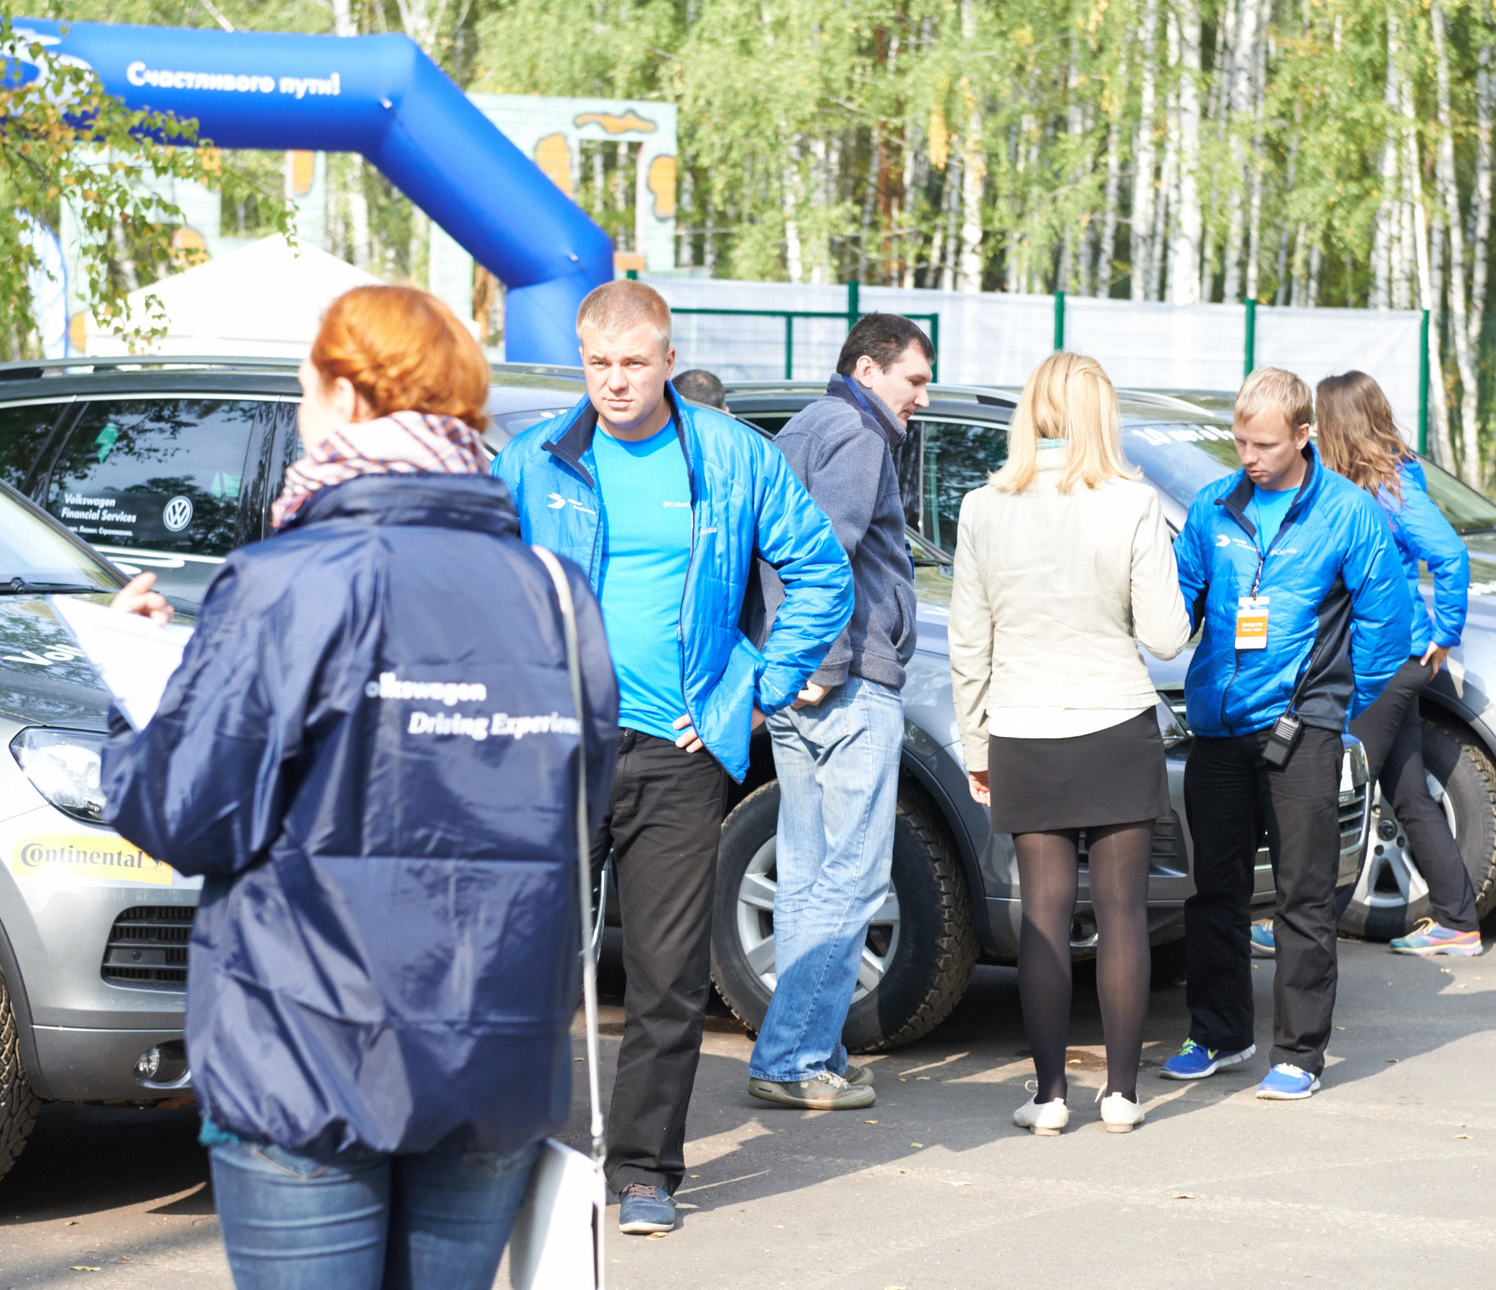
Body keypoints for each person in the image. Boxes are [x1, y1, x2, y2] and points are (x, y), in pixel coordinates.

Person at [98, 284, 622, 1290]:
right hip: (492, 1049)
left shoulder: (286, 581)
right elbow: (579, 809)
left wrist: (135, 700)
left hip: (303, 1043)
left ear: (344, 393)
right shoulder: (555, 593)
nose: (299, 412)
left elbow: (187, 811)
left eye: (303, 389)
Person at [493, 280, 854, 1235]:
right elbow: (473, 584)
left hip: (679, 751)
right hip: (556, 747)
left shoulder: (732, 457)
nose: (615, 381)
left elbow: (823, 573)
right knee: (523, 966)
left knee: (666, 974)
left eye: (633, 363)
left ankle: (644, 1171)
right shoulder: (533, 459)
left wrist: (755, 689)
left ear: (666, 359)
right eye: (598, 364)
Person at [950, 352, 1190, 1134]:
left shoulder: (982, 506)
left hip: (1023, 727)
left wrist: (976, 744)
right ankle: (1121, 1093)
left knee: (1044, 915)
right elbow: (1166, 636)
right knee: (1123, 913)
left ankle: (1050, 1096)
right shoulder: (1133, 501)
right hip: (1116, 722)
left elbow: (969, 643)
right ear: (1100, 415)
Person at [1162, 366, 1409, 1101]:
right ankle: (1218, 1033)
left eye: (1264, 444)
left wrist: (1335, 706)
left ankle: (1300, 1052)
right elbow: (1175, 608)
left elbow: (1386, 626)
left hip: (1303, 731)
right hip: (1218, 728)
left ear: (1304, 435)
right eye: (1240, 441)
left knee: (1303, 895)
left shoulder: (1348, 512)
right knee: (1215, 890)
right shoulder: (1211, 507)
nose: (1249, 456)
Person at [746, 313, 935, 1112]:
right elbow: (825, 552)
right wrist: (821, 666)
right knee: (852, 879)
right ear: (868, 369)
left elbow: (772, 551)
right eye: (914, 379)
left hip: (799, 683)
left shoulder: (806, 424)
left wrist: (789, 666)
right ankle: (792, 1057)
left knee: (806, 880)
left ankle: (813, 1050)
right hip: (844, 684)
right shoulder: (859, 435)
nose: (922, 396)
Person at [1312, 370, 1484, 956]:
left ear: (1339, 425)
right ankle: (1458, 921)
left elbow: (1450, 554)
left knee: (1336, 789)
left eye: (1321, 421)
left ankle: (1303, 924)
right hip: (1389, 657)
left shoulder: (1391, 489)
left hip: (1384, 662)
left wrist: (1445, 634)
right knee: (1408, 795)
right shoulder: (1366, 484)